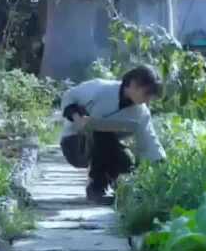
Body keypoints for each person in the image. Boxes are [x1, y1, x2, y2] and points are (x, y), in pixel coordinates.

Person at [59, 65, 166, 205]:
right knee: (102, 134)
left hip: (105, 145)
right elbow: (69, 96)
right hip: (74, 144)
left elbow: (149, 142)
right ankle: (96, 188)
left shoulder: (141, 113)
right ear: (133, 84)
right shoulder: (99, 89)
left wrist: (162, 167)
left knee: (126, 162)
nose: (147, 101)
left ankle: (122, 190)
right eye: (146, 94)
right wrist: (77, 118)